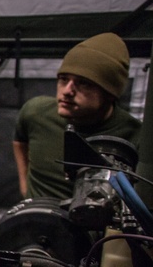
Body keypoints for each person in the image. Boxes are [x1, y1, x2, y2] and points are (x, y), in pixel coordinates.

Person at [13, 32, 140, 200]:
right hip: (36, 220)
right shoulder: (36, 112)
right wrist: (25, 187)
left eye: (84, 83)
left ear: (109, 94)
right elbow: (19, 141)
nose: (67, 91)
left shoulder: (135, 136)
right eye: (64, 79)